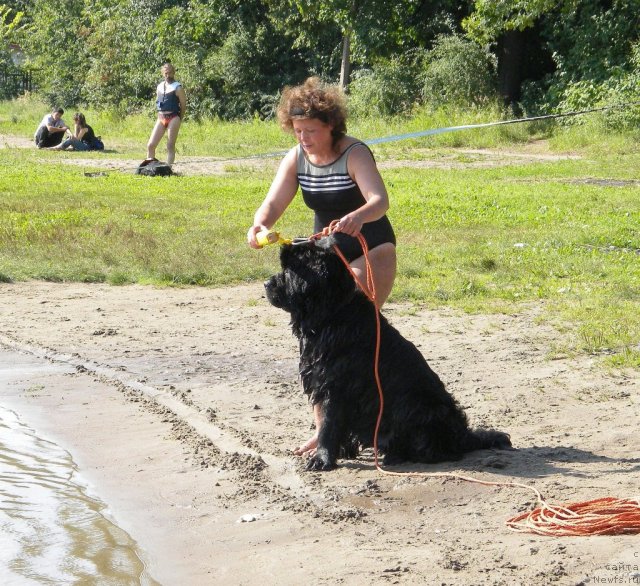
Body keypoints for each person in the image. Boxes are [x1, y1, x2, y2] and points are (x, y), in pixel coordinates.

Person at [247, 76, 397, 458]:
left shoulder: (354, 152)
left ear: (331, 125)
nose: (304, 138)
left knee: (347, 339)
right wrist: (259, 225)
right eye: (297, 131)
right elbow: (272, 205)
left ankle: (356, 421)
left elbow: (379, 201)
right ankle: (325, 431)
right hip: (326, 258)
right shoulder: (295, 158)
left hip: (370, 247)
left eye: (311, 130)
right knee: (315, 340)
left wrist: (358, 216)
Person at [145, 62, 186, 166]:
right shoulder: (159, 87)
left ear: (174, 73)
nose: (168, 75)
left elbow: (183, 105)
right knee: (150, 145)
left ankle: (168, 168)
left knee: (170, 145)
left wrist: (179, 118)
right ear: (163, 73)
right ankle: (150, 166)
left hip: (173, 117)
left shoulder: (178, 87)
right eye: (166, 73)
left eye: (170, 73)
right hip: (161, 117)